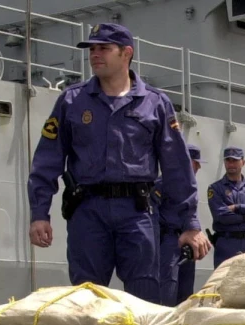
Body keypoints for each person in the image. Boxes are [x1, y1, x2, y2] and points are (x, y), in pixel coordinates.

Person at [27, 23, 210, 304]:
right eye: (92, 49)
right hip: (87, 211)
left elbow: (177, 168)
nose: (95, 54)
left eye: (104, 48)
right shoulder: (71, 101)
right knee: (86, 297)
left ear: (126, 53)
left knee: (145, 295)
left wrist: (190, 223)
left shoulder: (155, 104)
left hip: (137, 213)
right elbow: (47, 160)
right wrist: (39, 214)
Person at [155, 144, 205, 306]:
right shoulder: (164, 183)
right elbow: (152, 214)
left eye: (198, 163)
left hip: (187, 246)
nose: (197, 167)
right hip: (169, 241)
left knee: (185, 293)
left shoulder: (190, 187)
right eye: (194, 162)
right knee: (167, 289)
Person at [207, 147, 245, 268]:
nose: (231, 164)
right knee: (224, 283)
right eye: (228, 160)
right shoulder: (215, 188)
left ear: (243, 162)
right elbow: (221, 215)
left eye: (235, 160)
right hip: (227, 244)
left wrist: (236, 207)